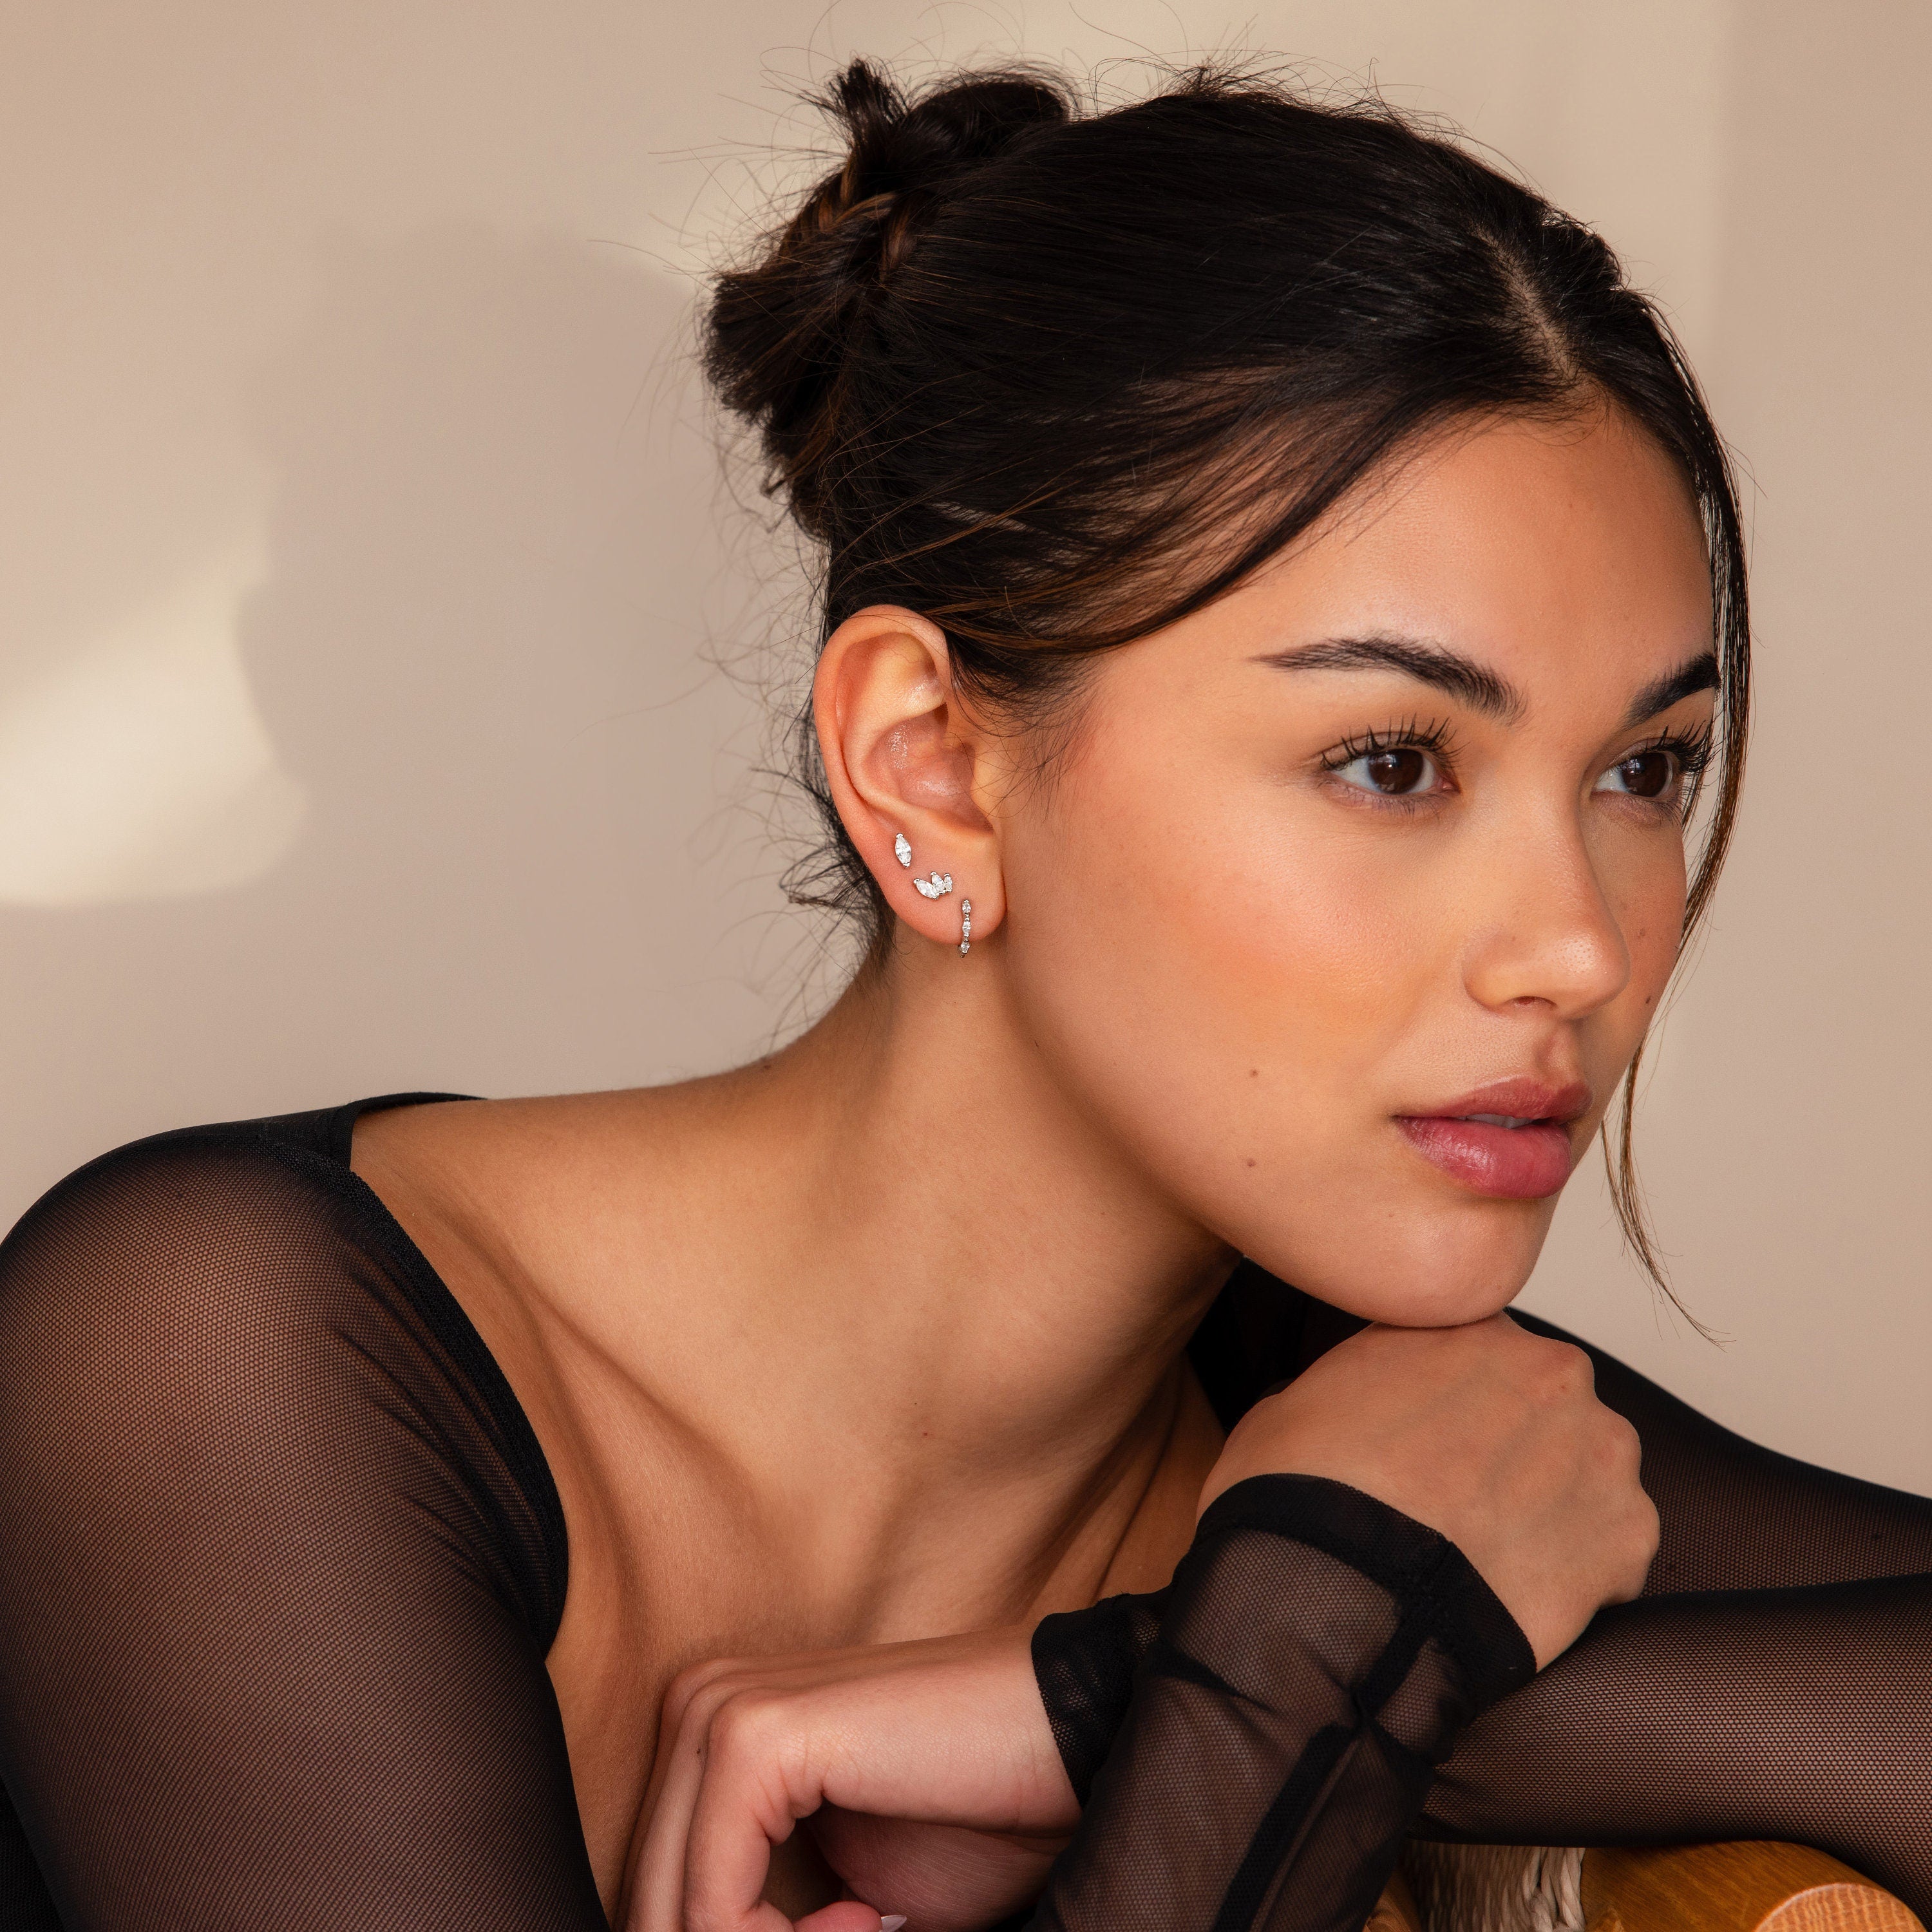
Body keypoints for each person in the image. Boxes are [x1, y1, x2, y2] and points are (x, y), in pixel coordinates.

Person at [1, 57, 1927, 1932]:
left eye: (1645, 770)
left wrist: (1133, 1692)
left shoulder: (1391, 1438)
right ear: (929, 765)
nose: (1581, 947)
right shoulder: (219, 1367)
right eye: (1391, 761)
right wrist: (1284, 1666)